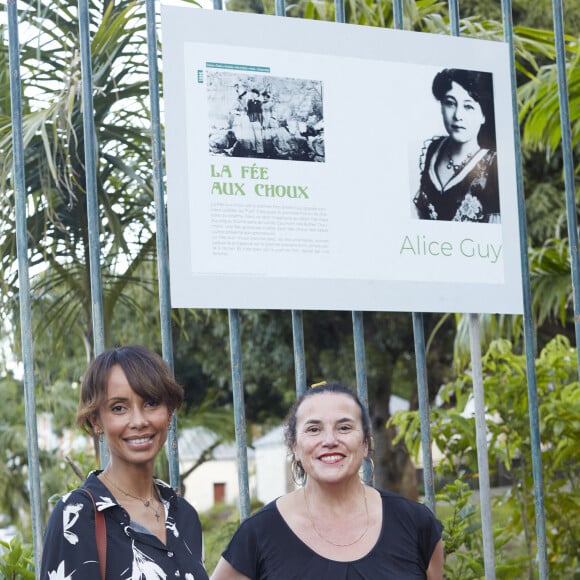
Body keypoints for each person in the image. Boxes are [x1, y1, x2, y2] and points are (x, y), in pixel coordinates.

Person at [211, 382, 444, 579]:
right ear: (295, 447)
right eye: (314, 429)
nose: (330, 440)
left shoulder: (416, 524)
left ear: (365, 444)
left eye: (344, 427)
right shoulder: (258, 534)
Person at [40, 345, 209, 579]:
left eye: (151, 403)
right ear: (96, 421)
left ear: (169, 413)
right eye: (119, 408)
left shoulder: (184, 515)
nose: (138, 421)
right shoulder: (76, 517)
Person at [413, 68, 500, 223]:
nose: (458, 115)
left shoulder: (493, 165)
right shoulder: (432, 149)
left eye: (468, 106)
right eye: (450, 103)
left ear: (483, 115)